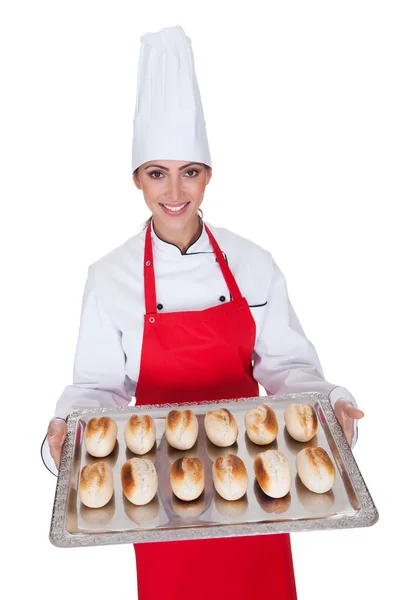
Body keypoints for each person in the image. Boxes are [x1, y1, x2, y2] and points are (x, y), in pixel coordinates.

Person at [41, 25, 365, 600]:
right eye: (156, 173)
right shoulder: (108, 277)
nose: (174, 191)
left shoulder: (252, 262)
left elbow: (290, 369)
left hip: (259, 477)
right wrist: (67, 431)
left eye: (189, 171)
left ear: (208, 174)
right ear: (137, 179)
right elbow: (97, 388)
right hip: (157, 492)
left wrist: (330, 406)